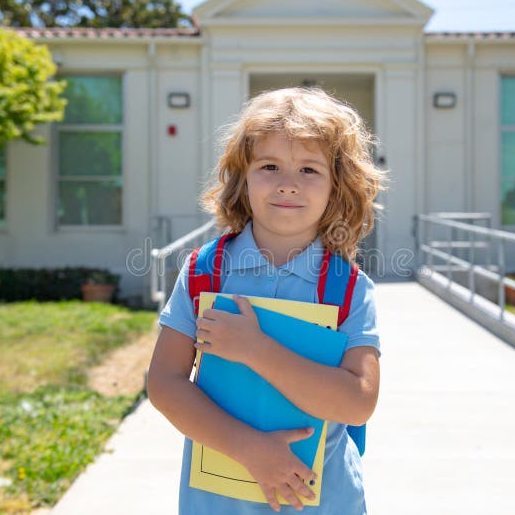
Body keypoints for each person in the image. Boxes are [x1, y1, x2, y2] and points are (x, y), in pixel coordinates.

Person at [147, 86, 386, 514]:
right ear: (243, 177)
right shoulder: (206, 271)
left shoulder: (348, 287)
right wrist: (251, 450)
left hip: (323, 500)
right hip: (218, 501)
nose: (287, 185)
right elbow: (165, 383)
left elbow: (357, 403)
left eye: (309, 169)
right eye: (269, 166)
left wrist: (256, 350)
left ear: (338, 185)